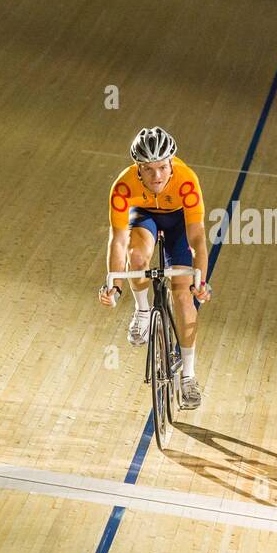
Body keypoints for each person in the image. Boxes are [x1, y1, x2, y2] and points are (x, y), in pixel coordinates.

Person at [98, 127, 212, 410]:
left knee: (183, 293)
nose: (157, 176)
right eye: (148, 170)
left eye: (162, 167)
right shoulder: (123, 187)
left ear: (172, 162)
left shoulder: (187, 181)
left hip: (178, 223)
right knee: (137, 259)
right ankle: (142, 310)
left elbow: (197, 237)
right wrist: (114, 284)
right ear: (138, 168)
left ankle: (188, 376)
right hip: (144, 216)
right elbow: (119, 240)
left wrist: (201, 280)